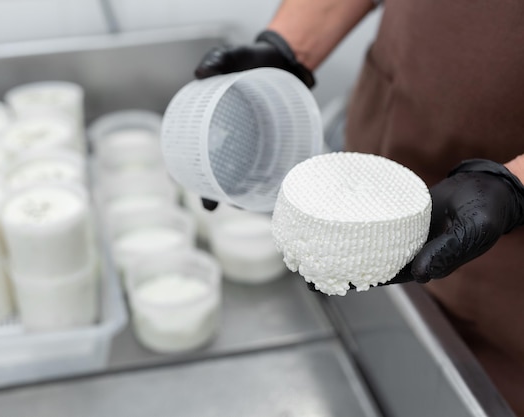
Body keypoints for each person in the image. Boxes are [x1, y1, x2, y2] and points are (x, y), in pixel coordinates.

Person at [193, 0, 524, 414]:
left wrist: (515, 185)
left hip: (507, 259)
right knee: (388, 352)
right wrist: (289, 47)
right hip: (378, 178)